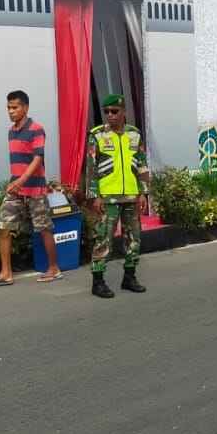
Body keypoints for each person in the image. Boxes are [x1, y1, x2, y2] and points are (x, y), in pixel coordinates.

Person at [0, 90, 61, 287]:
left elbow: (38, 159)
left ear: (25, 108)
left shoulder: (37, 129)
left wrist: (21, 181)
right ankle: (6, 273)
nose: (11, 111)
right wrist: (16, 183)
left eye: (15, 107)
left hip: (35, 189)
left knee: (44, 229)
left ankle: (54, 268)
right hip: (16, 191)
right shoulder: (11, 131)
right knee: (3, 227)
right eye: (8, 108)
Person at [83, 94, 151, 298]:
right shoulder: (97, 135)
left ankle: (129, 277)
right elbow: (91, 168)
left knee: (133, 238)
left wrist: (143, 193)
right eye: (106, 112)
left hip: (131, 195)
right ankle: (98, 281)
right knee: (103, 238)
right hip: (107, 196)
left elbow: (141, 165)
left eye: (114, 111)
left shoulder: (134, 134)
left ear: (123, 112)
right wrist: (94, 196)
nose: (110, 116)